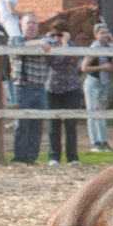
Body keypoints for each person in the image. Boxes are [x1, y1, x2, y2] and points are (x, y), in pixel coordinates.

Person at [9, 13, 52, 164]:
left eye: (34, 23)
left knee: (37, 124)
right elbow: (15, 48)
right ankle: (20, 156)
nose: (31, 26)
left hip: (40, 88)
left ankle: (32, 156)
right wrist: (38, 43)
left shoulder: (44, 40)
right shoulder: (16, 39)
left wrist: (41, 42)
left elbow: (52, 43)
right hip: (22, 87)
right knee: (22, 123)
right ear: (22, 25)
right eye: (28, 23)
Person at [46, 24, 82, 165]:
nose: (57, 38)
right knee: (53, 125)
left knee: (71, 125)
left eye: (60, 34)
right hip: (52, 89)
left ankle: (72, 156)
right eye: (55, 34)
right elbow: (55, 62)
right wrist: (53, 41)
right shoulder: (50, 46)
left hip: (71, 88)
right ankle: (54, 156)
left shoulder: (74, 46)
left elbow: (71, 58)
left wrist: (65, 42)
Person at [81, 22, 113, 152]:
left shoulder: (110, 47)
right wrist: (103, 67)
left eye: (106, 32)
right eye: (102, 33)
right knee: (93, 112)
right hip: (93, 82)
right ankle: (95, 142)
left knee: (102, 112)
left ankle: (103, 141)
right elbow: (84, 67)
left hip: (104, 82)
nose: (105, 35)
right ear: (96, 35)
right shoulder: (94, 48)